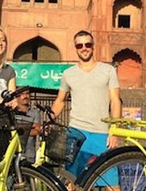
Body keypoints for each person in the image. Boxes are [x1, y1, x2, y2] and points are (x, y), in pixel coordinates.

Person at [51, 30, 121, 179]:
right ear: (75, 48)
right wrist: (49, 119)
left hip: (102, 133)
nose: (84, 48)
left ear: (93, 46)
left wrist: (114, 130)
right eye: (80, 45)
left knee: (112, 184)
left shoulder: (108, 70)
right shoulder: (68, 74)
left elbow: (115, 100)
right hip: (77, 133)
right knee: (74, 182)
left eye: (88, 44)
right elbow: (60, 100)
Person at [15, 88, 42, 163]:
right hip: (15, 153)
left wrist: (20, 130)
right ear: (16, 96)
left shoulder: (35, 112)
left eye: (27, 94)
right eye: (22, 94)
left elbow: (37, 130)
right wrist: (30, 127)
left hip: (29, 154)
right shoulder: (12, 112)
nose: (25, 96)